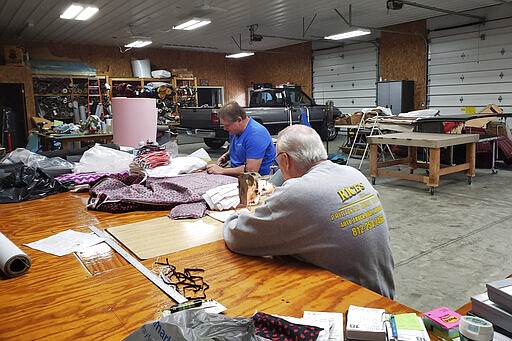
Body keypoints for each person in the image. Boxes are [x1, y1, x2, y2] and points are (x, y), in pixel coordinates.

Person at [223, 124, 395, 298]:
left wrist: (235, 215)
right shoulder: (354, 174)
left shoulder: (297, 192)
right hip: (383, 293)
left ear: (285, 160)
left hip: (353, 305)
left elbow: (239, 237)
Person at [206, 101, 275, 176]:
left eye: (227, 125)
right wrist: (226, 156)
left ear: (239, 120)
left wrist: (222, 171)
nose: (225, 129)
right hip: (239, 175)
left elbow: (251, 170)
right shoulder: (235, 131)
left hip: (259, 179)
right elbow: (239, 147)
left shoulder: (256, 134)